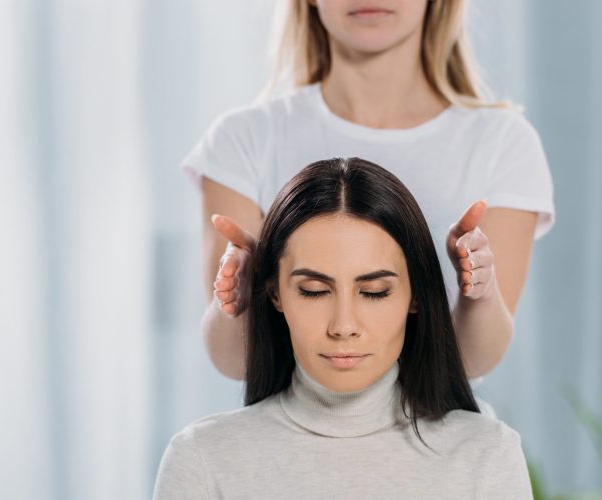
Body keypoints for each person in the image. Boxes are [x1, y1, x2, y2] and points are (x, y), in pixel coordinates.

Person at [189, 0, 554, 381]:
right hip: (284, 433)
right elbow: (236, 362)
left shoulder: (503, 143)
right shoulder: (243, 140)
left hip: (440, 434)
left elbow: (472, 361)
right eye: (313, 289)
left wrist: (478, 293)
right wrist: (239, 298)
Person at [154, 158, 532, 499]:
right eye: (314, 291)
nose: (344, 326)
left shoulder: (487, 456)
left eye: (374, 292)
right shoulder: (203, 461)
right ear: (275, 294)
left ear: (415, 295)